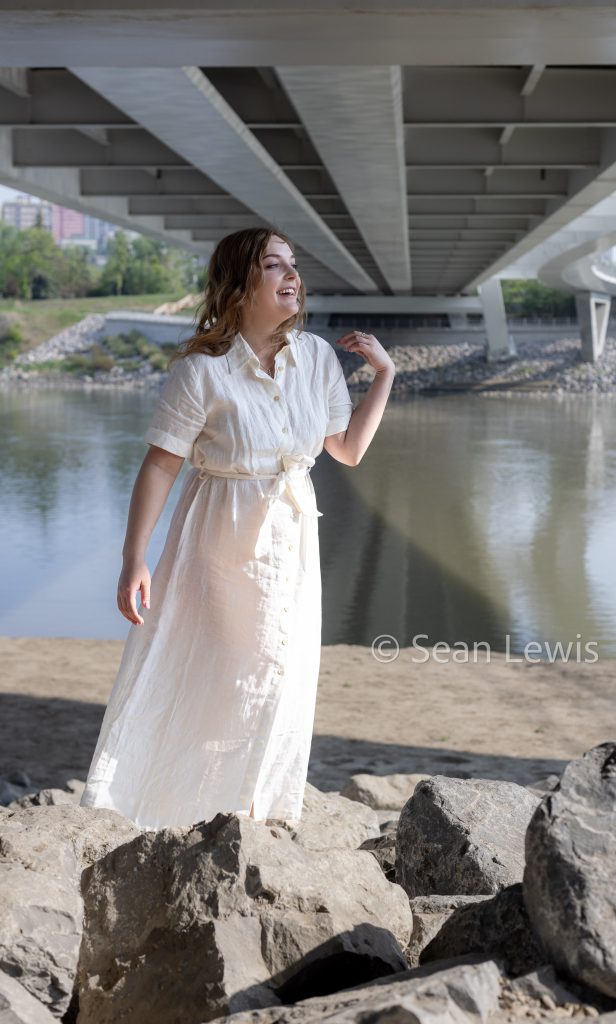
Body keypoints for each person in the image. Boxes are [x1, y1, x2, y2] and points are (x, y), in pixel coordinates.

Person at [79, 226, 395, 831]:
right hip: (218, 539)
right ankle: (180, 813)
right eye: (274, 265)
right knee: (223, 674)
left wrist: (383, 376)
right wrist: (134, 559)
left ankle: (257, 815)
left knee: (283, 672)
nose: (292, 275)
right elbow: (160, 464)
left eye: (294, 264)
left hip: (291, 537)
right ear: (240, 285)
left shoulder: (318, 359)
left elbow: (347, 449)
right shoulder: (202, 371)